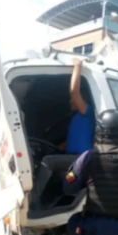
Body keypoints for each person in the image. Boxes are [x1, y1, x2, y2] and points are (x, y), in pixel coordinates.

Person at [29, 58, 96, 210]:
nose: (70, 102)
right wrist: (62, 145)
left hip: (81, 158)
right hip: (74, 157)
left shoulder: (87, 110)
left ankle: (33, 202)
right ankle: (51, 201)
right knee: (50, 168)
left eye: (74, 100)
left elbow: (73, 92)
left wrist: (77, 66)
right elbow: (79, 136)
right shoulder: (78, 118)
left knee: (48, 162)